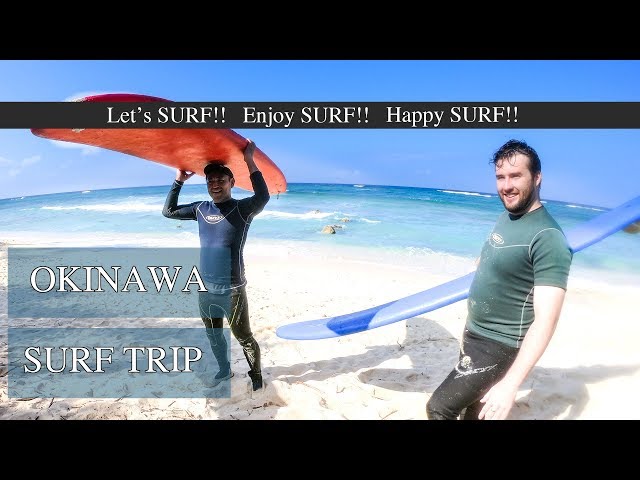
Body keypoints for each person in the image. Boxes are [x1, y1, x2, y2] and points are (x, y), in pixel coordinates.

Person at [426, 139, 573, 420]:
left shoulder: (548, 238)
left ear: (537, 177)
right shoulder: (509, 216)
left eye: (516, 176)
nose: (506, 186)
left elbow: (546, 320)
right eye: (500, 177)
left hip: (499, 346)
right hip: (475, 334)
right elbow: (496, 256)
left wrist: (511, 384)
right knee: (476, 413)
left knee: (439, 408)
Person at [162, 139, 270, 392]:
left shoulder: (242, 209)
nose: (215, 184)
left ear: (231, 182)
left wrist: (249, 159)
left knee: (244, 336)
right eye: (210, 180)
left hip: (232, 289)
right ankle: (224, 370)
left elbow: (263, 196)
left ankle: (256, 376)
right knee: (214, 334)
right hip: (205, 288)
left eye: (221, 180)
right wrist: (179, 181)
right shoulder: (201, 208)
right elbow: (168, 211)